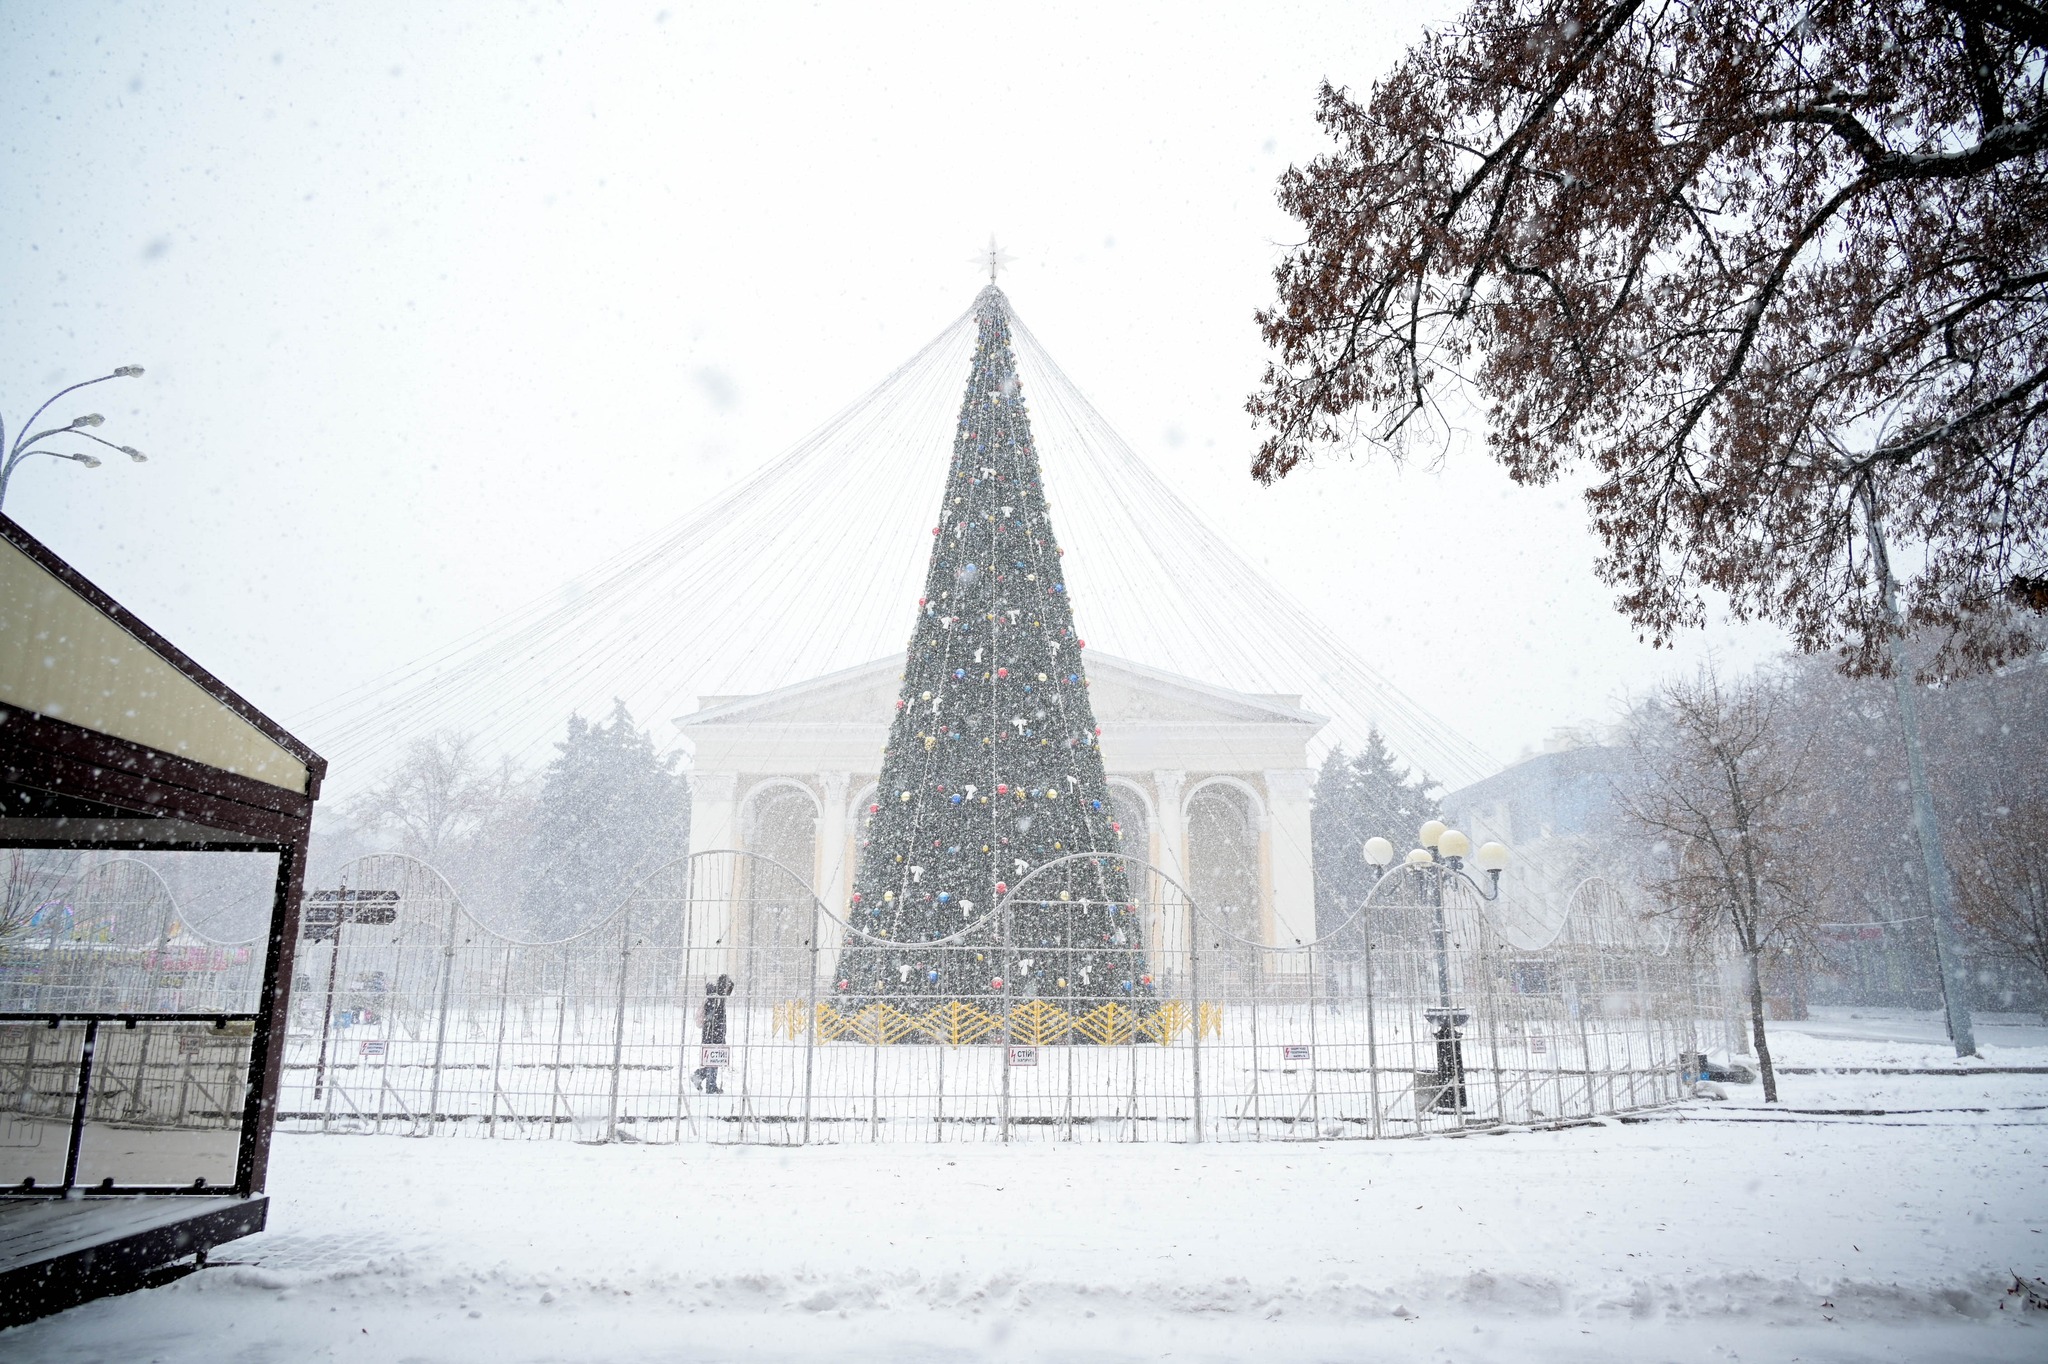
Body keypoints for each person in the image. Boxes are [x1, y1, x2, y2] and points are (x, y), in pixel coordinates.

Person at [691, 974, 735, 1094]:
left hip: (714, 1034)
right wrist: (717, 1035)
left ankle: (700, 1077)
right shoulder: (715, 998)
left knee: (714, 1061)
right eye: (728, 989)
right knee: (713, 1061)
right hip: (712, 1035)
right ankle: (709, 1085)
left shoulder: (717, 997)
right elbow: (713, 1019)